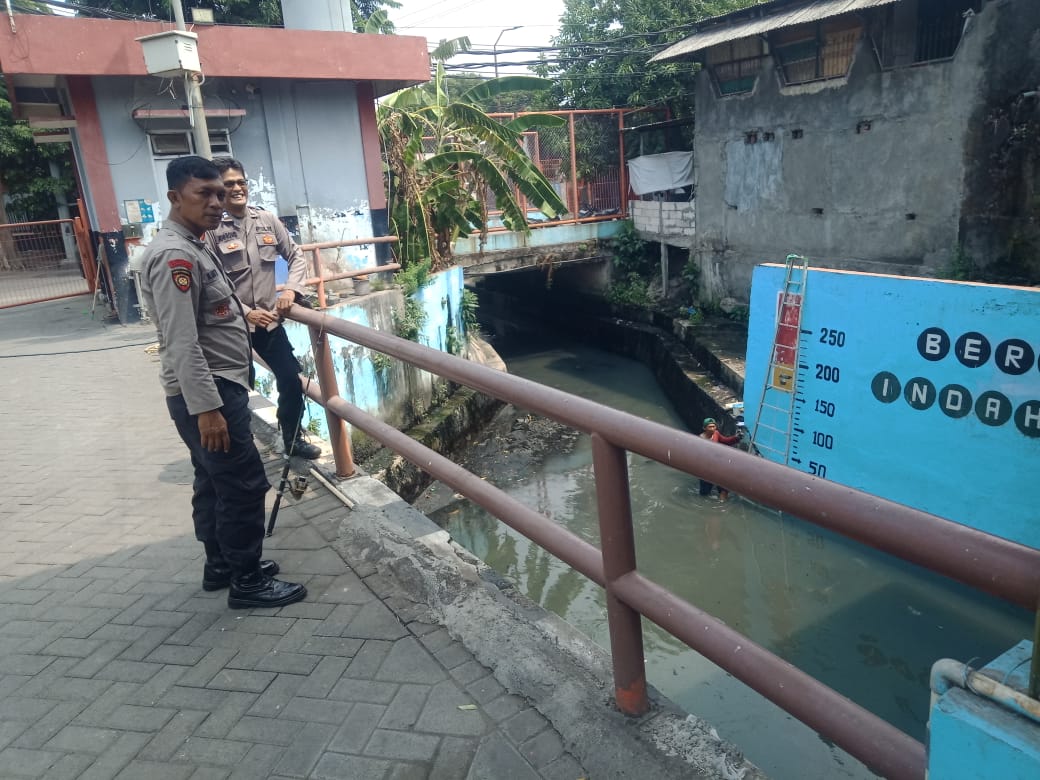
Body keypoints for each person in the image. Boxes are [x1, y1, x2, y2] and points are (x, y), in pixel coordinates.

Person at [138, 155, 307, 610]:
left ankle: (222, 565)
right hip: (210, 389)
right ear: (175, 197)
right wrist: (207, 407)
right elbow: (181, 340)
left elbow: (282, 263)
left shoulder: (196, 242)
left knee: (212, 480)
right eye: (205, 194)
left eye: (221, 193)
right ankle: (247, 582)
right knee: (243, 484)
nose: (217, 202)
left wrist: (268, 299)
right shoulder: (175, 253)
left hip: (217, 383)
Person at [205, 156, 321, 460]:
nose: (237, 188)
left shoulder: (267, 220)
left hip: (269, 324)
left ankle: (293, 439)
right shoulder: (212, 230)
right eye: (229, 184)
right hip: (232, 326)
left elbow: (296, 257)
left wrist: (292, 290)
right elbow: (213, 283)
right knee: (239, 390)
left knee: (291, 380)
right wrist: (245, 312)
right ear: (219, 189)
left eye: (241, 182)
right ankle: (242, 451)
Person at [698, 417, 741, 501]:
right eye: (710, 427)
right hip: (706, 469)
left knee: (724, 488)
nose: (712, 429)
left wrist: (736, 438)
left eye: (714, 426)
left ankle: (722, 504)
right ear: (704, 428)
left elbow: (725, 441)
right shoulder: (700, 440)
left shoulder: (716, 434)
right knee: (704, 493)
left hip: (717, 467)